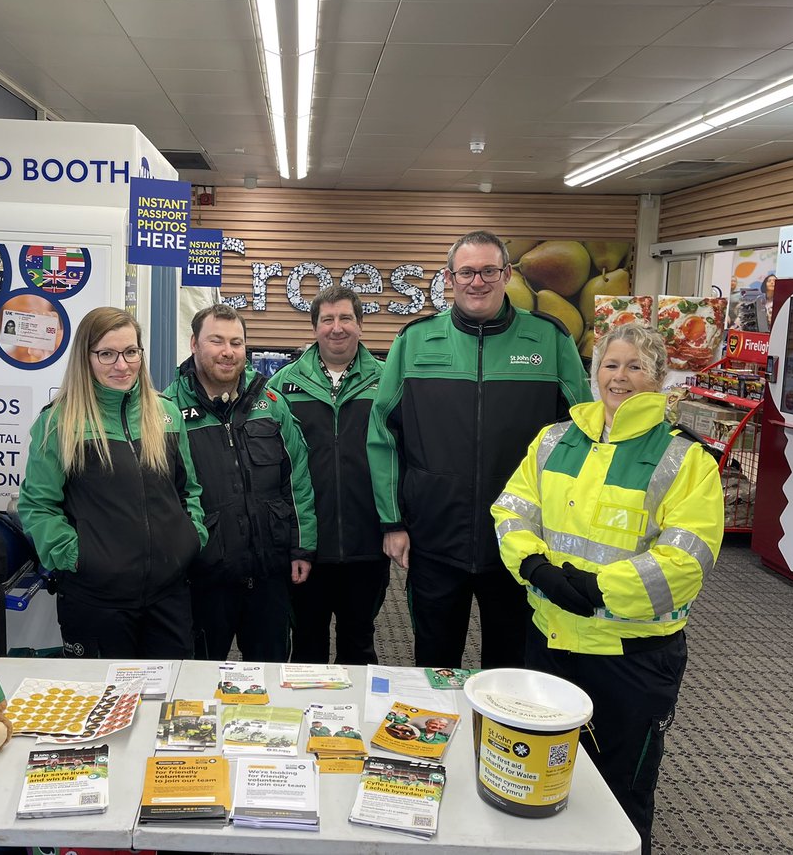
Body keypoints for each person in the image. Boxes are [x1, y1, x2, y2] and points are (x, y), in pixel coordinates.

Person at [492, 322, 723, 854]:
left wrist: (599, 589)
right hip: (549, 643)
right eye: (611, 365)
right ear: (595, 374)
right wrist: (533, 566)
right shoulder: (553, 440)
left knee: (621, 795)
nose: (621, 377)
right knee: (539, 782)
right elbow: (511, 510)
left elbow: (687, 560)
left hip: (631, 659)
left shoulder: (685, 459)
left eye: (635, 366)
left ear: (658, 376)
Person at [368, 229, 591, 669]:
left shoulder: (549, 339)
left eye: (489, 270)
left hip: (521, 535)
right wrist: (392, 521)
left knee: (512, 663)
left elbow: (582, 433)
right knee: (434, 659)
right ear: (450, 278)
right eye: (467, 272)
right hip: (435, 536)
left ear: (507, 274)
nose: (478, 281)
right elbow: (383, 433)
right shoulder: (415, 340)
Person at [18, 306, 206, 659]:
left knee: (168, 701)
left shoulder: (165, 414)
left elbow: (188, 490)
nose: (122, 365)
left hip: (169, 596)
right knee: (102, 703)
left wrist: (191, 537)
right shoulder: (60, 422)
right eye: (107, 353)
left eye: (131, 352)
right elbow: (38, 506)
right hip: (96, 600)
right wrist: (76, 556)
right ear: (86, 357)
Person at [164, 304, 317, 662]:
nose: (227, 351)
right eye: (216, 340)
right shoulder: (167, 410)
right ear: (194, 344)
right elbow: (163, 495)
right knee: (197, 675)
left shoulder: (272, 403)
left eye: (236, 342)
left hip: (268, 571)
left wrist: (302, 547)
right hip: (203, 575)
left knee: (272, 672)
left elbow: (298, 482)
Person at [267, 285, 388, 665]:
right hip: (307, 544)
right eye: (328, 319)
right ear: (315, 327)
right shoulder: (282, 387)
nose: (337, 328)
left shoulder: (387, 382)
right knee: (306, 643)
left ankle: (355, 723)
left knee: (359, 642)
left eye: (346, 318)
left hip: (367, 541)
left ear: (361, 325)